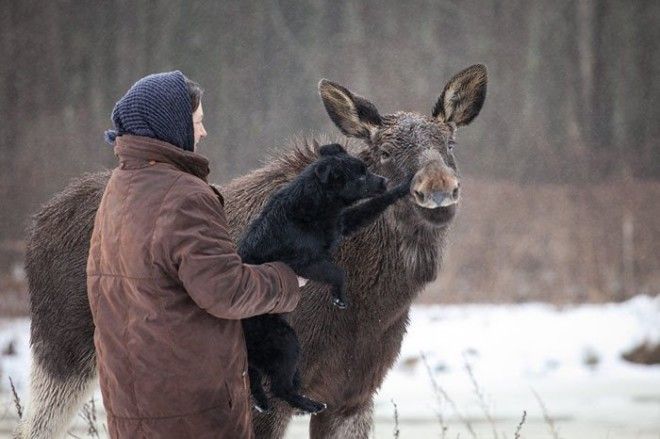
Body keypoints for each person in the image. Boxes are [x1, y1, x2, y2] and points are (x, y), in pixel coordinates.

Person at [86, 71, 306, 438]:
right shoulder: (185, 196)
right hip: (192, 412)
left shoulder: (119, 188)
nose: (202, 132)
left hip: (130, 404)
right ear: (173, 125)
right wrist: (287, 279)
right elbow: (225, 290)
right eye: (198, 121)